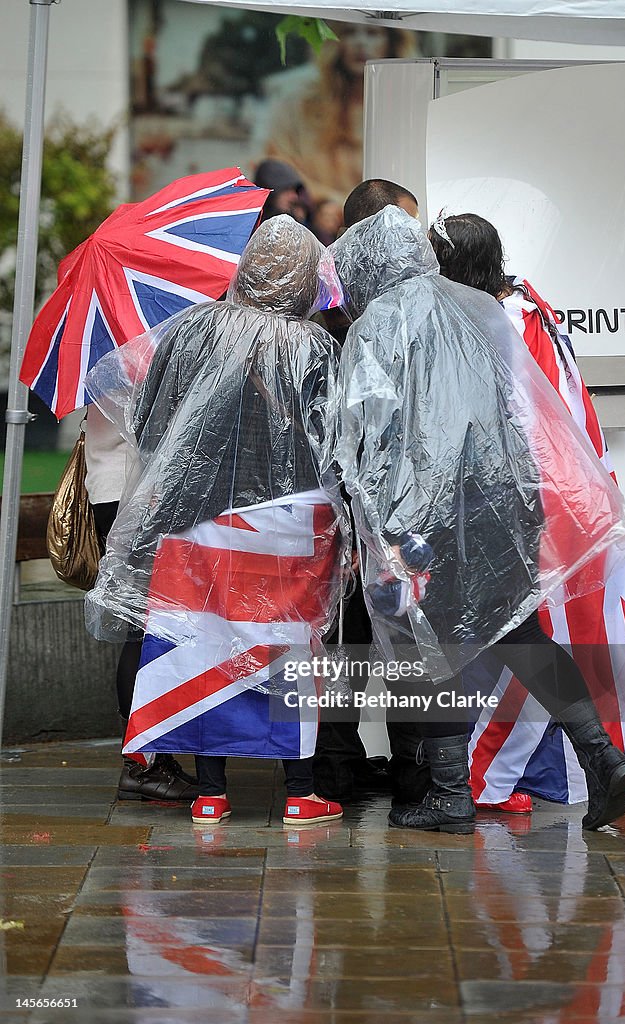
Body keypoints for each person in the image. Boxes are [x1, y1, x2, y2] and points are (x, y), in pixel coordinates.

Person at [332, 205, 625, 834]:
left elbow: (365, 426)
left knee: (427, 649)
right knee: (520, 633)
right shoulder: (482, 308)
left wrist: (369, 519)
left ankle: (448, 794)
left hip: (421, 512)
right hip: (502, 500)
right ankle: (600, 753)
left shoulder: (376, 326)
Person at [84, 216, 348, 827]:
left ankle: (210, 793)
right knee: (288, 655)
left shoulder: (188, 332)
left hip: (196, 526)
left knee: (202, 650)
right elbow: (334, 444)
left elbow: (152, 428)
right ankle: (299, 792)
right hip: (287, 529)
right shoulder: (313, 347)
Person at [427, 211, 625, 812]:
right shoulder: (531, 302)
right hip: (574, 494)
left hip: (524, 504)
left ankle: (489, 781)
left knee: (512, 641)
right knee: (572, 634)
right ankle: (613, 756)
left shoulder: (487, 324)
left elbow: (502, 423)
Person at [311, 178, 425, 805]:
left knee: (371, 637)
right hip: (357, 506)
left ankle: (357, 764)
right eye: (406, 225)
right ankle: (359, 767)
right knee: (358, 638)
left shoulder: (364, 302)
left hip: (377, 504)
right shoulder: (344, 306)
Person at [86, 405, 200, 803]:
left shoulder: (106, 351)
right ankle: (142, 765)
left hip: (113, 492)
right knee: (143, 630)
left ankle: (150, 759)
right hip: (135, 497)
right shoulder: (134, 354)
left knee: (146, 628)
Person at [256, 25, 418, 205]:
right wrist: (331, 202)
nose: (360, 42)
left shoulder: (410, 110)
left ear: (392, 42)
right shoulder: (299, 105)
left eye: (372, 33)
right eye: (349, 32)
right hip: (316, 222)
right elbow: (276, 166)